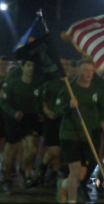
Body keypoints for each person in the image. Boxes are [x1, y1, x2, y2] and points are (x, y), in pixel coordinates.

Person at [55, 59, 104, 203]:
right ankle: (72, 200)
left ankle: (63, 184)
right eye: (85, 70)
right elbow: (57, 110)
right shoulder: (69, 88)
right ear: (78, 71)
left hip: (86, 135)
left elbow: (102, 108)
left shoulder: (96, 89)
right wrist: (68, 106)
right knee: (75, 170)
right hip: (69, 133)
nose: (88, 73)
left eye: (90, 70)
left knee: (81, 175)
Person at [0, 58, 41, 193]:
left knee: (33, 150)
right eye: (28, 65)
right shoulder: (13, 84)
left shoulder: (37, 85)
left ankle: (22, 169)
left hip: (30, 120)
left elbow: (40, 102)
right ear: (22, 68)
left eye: (33, 65)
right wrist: (13, 112)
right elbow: (3, 103)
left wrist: (41, 112)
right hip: (15, 119)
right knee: (11, 151)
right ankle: (8, 179)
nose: (31, 68)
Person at [37, 57, 69, 186]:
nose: (64, 66)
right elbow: (41, 99)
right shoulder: (49, 82)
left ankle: (54, 171)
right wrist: (46, 110)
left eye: (66, 64)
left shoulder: (69, 83)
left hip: (64, 120)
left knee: (60, 149)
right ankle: (43, 166)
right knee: (53, 150)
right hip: (51, 120)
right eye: (62, 64)